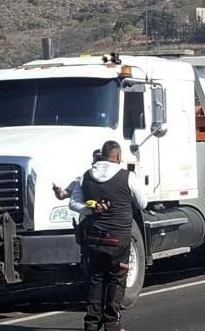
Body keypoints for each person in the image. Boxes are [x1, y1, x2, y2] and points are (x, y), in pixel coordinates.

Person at [70, 140, 149, 331]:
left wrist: (92, 210)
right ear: (118, 156)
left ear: (102, 155)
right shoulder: (127, 177)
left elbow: (73, 203)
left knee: (95, 280)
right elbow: (142, 203)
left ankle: (91, 324)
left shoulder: (86, 177)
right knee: (116, 280)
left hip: (93, 239)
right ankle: (111, 324)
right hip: (118, 239)